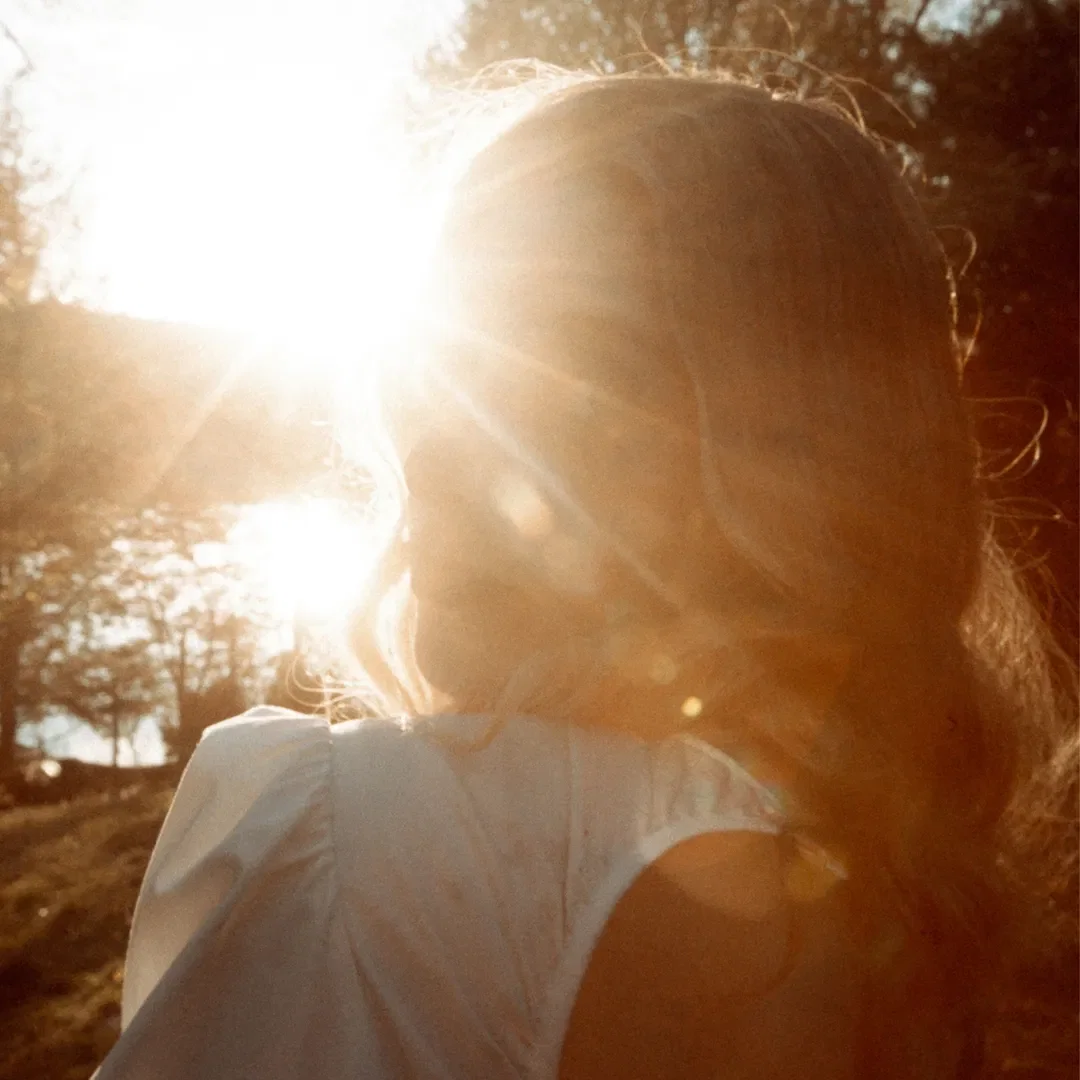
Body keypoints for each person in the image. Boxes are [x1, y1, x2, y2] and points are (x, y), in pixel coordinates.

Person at [97, 74, 1072, 1080]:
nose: (431, 450)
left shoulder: (357, 847)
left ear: (794, 461)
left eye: (572, 371)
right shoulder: (885, 895)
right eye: (444, 350)